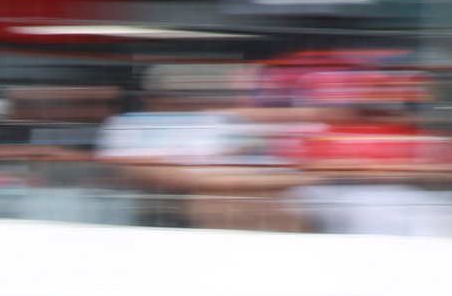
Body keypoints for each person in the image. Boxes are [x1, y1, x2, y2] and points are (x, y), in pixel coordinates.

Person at [94, 62, 303, 231]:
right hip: (155, 222)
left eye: (195, 93)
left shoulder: (222, 121)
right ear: (149, 97)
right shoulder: (129, 126)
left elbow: (274, 167)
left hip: (242, 219)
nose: (189, 101)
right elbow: (171, 178)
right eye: (177, 95)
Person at [284, 100, 452, 238]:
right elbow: (304, 171)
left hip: (411, 196)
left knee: (448, 205)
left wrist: (409, 166)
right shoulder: (330, 135)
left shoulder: (433, 138)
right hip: (350, 196)